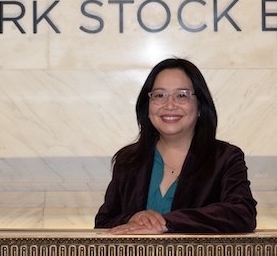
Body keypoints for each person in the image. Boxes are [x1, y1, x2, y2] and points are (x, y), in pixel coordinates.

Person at [95, 58, 257, 234]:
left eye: (181, 95)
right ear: (147, 107)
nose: (170, 105)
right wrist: (132, 219)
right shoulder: (129, 159)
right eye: (159, 95)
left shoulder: (224, 157)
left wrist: (167, 223)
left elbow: (242, 214)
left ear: (200, 105)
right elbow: (104, 222)